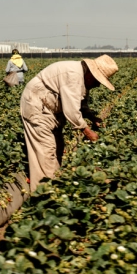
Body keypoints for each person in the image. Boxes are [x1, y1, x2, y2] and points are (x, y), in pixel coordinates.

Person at [20, 55, 118, 192]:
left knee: (58, 147)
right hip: (37, 106)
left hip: (51, 110)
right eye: (98, 81)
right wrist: (87, 131)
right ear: (91, 73)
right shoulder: (73, 75)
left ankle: (55, 183)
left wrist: (91, 117)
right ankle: (43, 193)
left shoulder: (82, 77)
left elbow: (81, 103)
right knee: (46, 151)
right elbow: (72, 110)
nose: (97, 85)